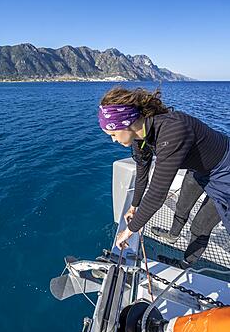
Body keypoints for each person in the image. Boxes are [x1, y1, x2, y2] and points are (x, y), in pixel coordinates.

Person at [98, 86, 230, 263]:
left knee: (200, 225)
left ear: (126, 123)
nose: (113, 140)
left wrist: (130, 230)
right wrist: (134, 206)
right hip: (200, 167)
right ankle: (173, 235)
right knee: (182, 205)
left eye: (113, 134)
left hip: (224, 170)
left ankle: (185, 263)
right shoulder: (140, 136)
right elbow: (142, 172)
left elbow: (157, 193)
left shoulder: (172, 131)